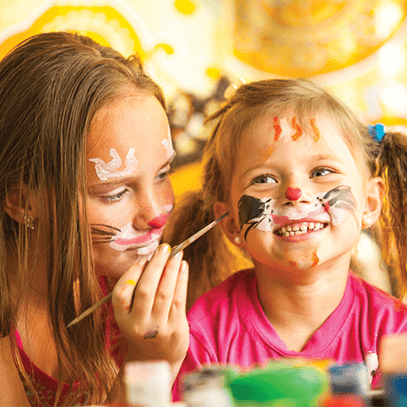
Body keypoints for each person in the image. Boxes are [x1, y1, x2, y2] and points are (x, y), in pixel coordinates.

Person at [166, 78, 407, 399]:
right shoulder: (201, 337)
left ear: (370, 203)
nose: (295, 194)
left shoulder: (395, 336)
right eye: (264, 179)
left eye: (321, 171)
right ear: (232, 225)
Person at [0, 31, 189, 406]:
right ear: (22, 201)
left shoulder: (118, 292)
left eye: (163, 174)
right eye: (114, 192)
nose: (154, 215)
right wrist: (149, 364)